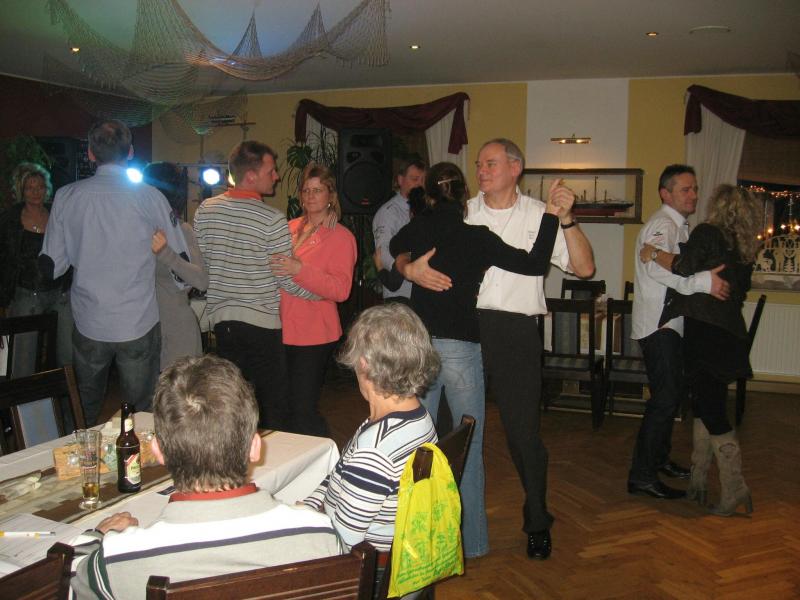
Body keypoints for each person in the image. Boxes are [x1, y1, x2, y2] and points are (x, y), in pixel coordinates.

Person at [399, 138, 595, 560]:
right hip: (459, 330)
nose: (481, 171)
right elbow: (401, 252)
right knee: (446, 433)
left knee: (523, 434)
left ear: (515, 168)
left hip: (514, 332)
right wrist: (409, 270)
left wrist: (567, 220)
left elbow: (584, 268)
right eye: (479, 164)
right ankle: (444, 524)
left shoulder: (539, 214)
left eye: (490, 164)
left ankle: (537, 520)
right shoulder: (461, 211)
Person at [70, 355, 340, 600]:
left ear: (158, 452)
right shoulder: (320, 536)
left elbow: (67, 585)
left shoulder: (118, 561)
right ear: (255, 447)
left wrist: (96, 534)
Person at [39, 120, 189, 425]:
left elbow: (52, 266)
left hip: (89, 320)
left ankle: (82, 452)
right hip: (138, 320)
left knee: (84, 406)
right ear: (130, 152)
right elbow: (180, 259)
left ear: (91, 154)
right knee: (141, 410)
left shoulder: (67, 197)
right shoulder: (150, 196)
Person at [640, 184, 759, 516]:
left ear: (719, 207)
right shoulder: (743, 247)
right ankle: (698, 481)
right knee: (706, 404)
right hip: (728, 334)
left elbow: (683, 266)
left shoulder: (708, 232)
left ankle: (735, 488)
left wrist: (653, 252)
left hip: (706, 334)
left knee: (712, 410)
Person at [194, 141, 315, 429]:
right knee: (271, 407)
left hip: (223, 324)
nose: (277, 176)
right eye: (271, 171)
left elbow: (202, 265)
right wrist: (319, 292)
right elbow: (285, 278)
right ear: (250, 176)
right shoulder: (272, 220)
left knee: (233, 403)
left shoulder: (205, 210)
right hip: (262, 326)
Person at [628, 165, 731, 501]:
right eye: (686, 189)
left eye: (695, 189)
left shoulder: (676, 226)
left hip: (668, 325)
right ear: (665, 193)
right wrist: (703, 282)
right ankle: (642, 476)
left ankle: (658, 461)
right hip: (659, 326)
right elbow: (657, 270)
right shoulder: (663, 225)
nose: (694, 195)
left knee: (668, 398)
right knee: (664, 400)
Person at [303, 303, 438, 553]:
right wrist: (307, 507)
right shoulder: (418, 418)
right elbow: (338, 474)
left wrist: (301, 524)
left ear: (363, 364)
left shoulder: (374, 450)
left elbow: (341, 544)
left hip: (365, 565)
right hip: (400, 546)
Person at [269, 163, 357, 436]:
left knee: (303, 409)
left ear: (331, 195)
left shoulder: (341, 237)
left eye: (317, 190)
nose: (310, 196)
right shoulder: (289, 227)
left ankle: (324, 458)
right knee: (279, 406)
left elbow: (341, 290)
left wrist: (299, 269)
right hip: (279, 327)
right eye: (306, 190)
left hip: (313, 332)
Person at [0, 162, 73, 370]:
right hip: (26, 292)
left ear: (47, 188)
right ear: (21, 190)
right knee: (24, 355)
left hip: (59, 292)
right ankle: (24, 391)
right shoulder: (9, 220)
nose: (35, 192)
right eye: (30, 188)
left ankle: (66, 391)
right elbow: (4, 260)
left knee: (67, 352)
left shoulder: (57, 214)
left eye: (40, 187)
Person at [143, 162, 208, 371]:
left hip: (176, 329)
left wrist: (166, 254)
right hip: (141, 328)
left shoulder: (181, 230)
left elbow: (201, 281)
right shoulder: (134, 230)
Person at [372, 158, 425, 304]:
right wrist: (411, 270)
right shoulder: (388, 212)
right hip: (401, 294)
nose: (420, 184)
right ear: (400, 180)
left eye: (423, 180)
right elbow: (384, 254)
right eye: (414, 179)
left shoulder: (427, 210)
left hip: (424, 293)